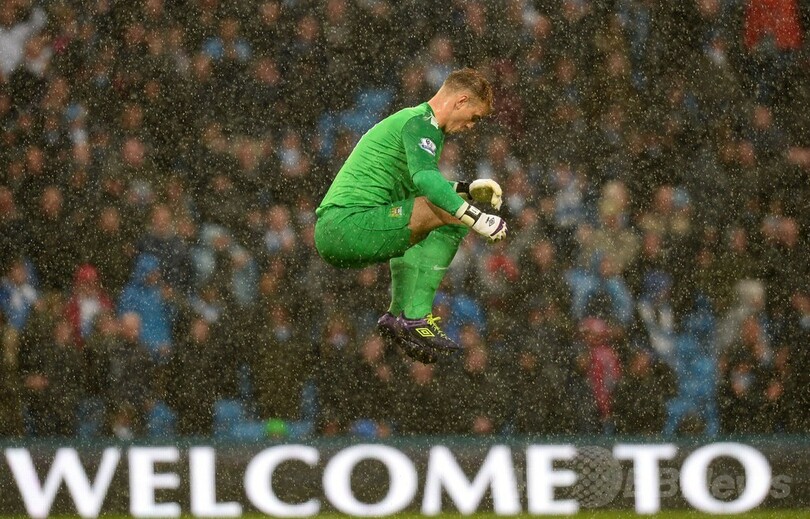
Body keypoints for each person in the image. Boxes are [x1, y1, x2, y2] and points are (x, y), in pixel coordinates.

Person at [315, 68, 507, 363]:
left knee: (426, 217)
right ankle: (416, 315)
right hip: (346, 224)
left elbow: (416, 190)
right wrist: (479, 218)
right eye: (474, 117)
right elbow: (427, 182)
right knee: (451, 217)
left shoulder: (417, 123)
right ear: (461, 100)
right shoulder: (421, 123)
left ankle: (398, 315)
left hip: (339, 229)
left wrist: (467, 189)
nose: (471, 126)